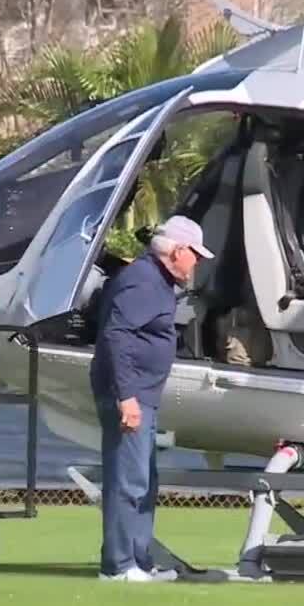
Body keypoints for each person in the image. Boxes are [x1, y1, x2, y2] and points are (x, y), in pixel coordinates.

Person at [90, 215, 212, 582]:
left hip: (144, 393)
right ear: (176, 251)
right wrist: (126, 396)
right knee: (128, 480)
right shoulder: (143, 281)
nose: (198, 262)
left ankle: (139, 561)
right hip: (130, 394)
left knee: (143, 480)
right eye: (195, 254)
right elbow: (116, 337)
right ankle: (119, 565)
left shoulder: (156, 282)